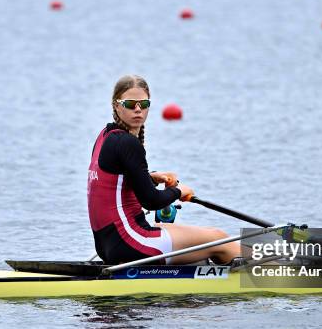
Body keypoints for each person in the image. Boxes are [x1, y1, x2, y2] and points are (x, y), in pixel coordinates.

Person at [87, 74, 240, 265]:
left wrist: (150, 178)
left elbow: (115, 182)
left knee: (210, 235)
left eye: (143, 104)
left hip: (107, 245)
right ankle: (275, 276)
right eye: (130, 104)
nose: (137, 110)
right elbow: (151, 201)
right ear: (116, 106)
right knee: (220, 239)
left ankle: (231, 272)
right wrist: (178, 191)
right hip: (132, 242)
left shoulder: (105, 136)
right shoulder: (128, 143)